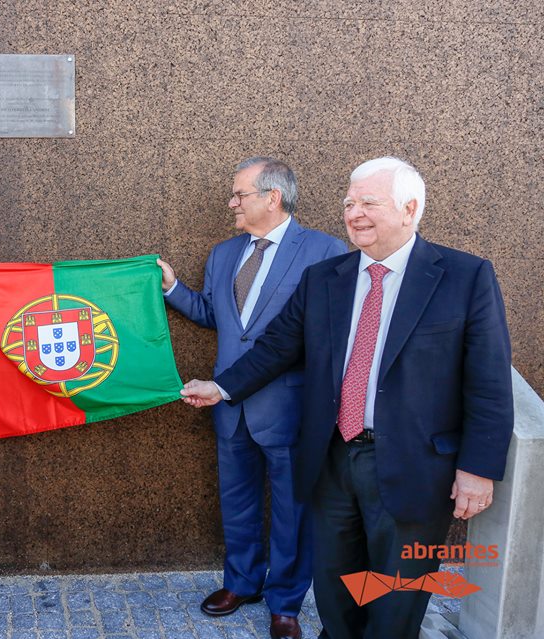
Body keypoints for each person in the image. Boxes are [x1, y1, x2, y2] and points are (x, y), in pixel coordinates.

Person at [180, 157, 514, 639]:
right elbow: (277, 347)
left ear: (410, 208)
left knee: (397, 595)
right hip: (333, 458)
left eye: (369, 203)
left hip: (414, 464)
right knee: (337, 586)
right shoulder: (326, 277)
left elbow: (488, 383)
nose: (354, 213)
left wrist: (477, 469)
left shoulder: (465, 277)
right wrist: (221, 386)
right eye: (349, 203)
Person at [159, 157, 345, 639]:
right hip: (228, 408)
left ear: (272, 197)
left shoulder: (325, 251)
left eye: (239, 195)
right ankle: (240, 583)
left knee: (291, 510)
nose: (231, 203)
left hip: (288, 410)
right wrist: (174, 288)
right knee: (236, 502)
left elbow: (320, 334)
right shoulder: (224, 254)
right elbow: (214, 316)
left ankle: (285, 601)